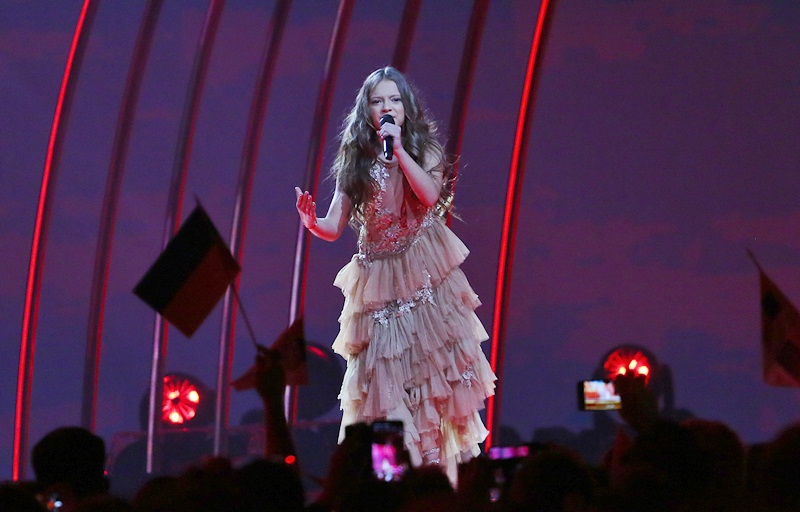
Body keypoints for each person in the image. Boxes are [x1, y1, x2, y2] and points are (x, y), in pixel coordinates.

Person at [295, 66, 496, 481]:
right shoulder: (355, 158)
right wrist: (313, 223)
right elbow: (334, 225)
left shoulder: (424, 149)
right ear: (367, 110)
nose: (386, 107)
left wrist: (400, 151)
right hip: (378, 285)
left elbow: (430, 195)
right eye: (377, 101)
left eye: (394, 100)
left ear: (406, 106)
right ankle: (391, 480)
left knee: (431, 383)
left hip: (423, 276)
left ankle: (438, 481)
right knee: (383, 384)